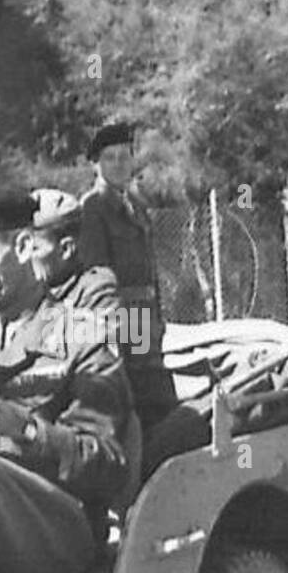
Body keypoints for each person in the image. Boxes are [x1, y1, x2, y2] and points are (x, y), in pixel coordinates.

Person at [0, 185, 133, 573]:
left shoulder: (81, 335)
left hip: (58, 529)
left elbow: (109, 467)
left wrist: (26, 428)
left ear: (26, 246)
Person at [78, 120, 177, 436]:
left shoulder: (137, 204)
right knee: (139, 397)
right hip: (123, 319)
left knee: (157, 395)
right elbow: (97, 273)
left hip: (147, 319)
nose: (119, 164)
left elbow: (150, 270)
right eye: (110, 158)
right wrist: (114, 330)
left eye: (124, 157)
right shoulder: (93, 207)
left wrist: (157, 319)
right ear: (96, 164)